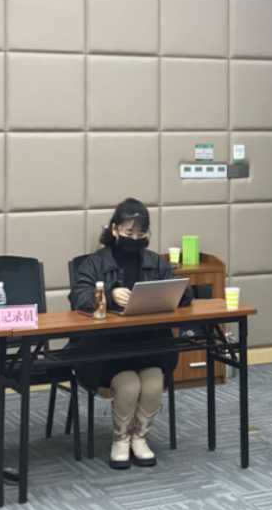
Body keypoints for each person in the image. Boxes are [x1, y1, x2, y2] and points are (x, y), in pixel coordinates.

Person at [69, 198, 193, 470]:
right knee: (129, 386)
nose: (135, 239)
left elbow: (184, 292)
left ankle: (139, 437)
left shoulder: (154, 261)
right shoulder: (94, 263)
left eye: (141, 233)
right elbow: (78, 298)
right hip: (104, 349)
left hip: (150, 344)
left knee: (153, 384)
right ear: (114, 229)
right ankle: (120, 440)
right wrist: (108, 294)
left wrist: (173, 292)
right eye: (129, 232)